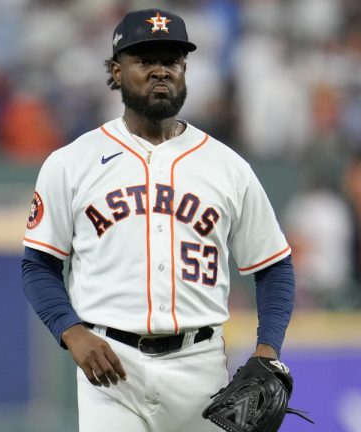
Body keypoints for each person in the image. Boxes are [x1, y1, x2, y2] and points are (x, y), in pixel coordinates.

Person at [21, 8, 297, 432]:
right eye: (144, 60)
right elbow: (38, 264)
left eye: (171, 60)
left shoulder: (228, 166)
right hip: (110, 367)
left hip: (200, 369)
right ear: (115, 72)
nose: (159, 71)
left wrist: (267, 348)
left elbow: (274, 266)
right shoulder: (71, 163)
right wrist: (71, 331)